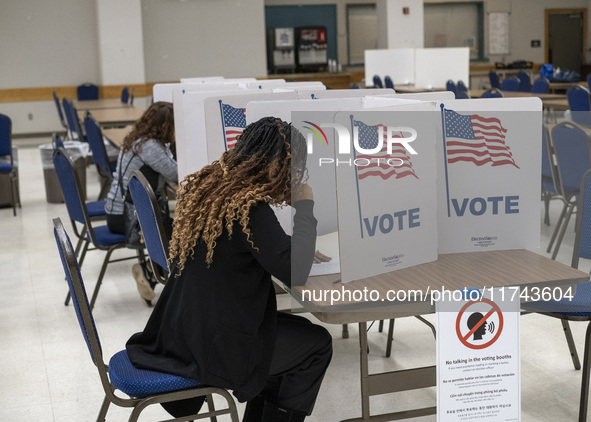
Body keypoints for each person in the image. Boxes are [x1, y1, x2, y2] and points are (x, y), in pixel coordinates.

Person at [126, 117, 333, 421]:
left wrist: (290, 247)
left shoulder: (215, 188)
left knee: (295, 336)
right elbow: (295, 272)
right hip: (210, 346)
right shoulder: (249, 207)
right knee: (316, 346)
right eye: (292, 167)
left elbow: (243, 246)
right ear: (274, 164)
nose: (294, 177)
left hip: (182, 331)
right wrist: (304, 206)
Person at [104, 101, 178, 304]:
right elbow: (175, 174)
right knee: (185, 235)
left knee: (176, 228)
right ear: (166, 127)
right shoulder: (150, 146)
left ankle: (150, 272)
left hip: (119, 211)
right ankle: (152, 272)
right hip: (127, 218)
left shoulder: (138, 139)